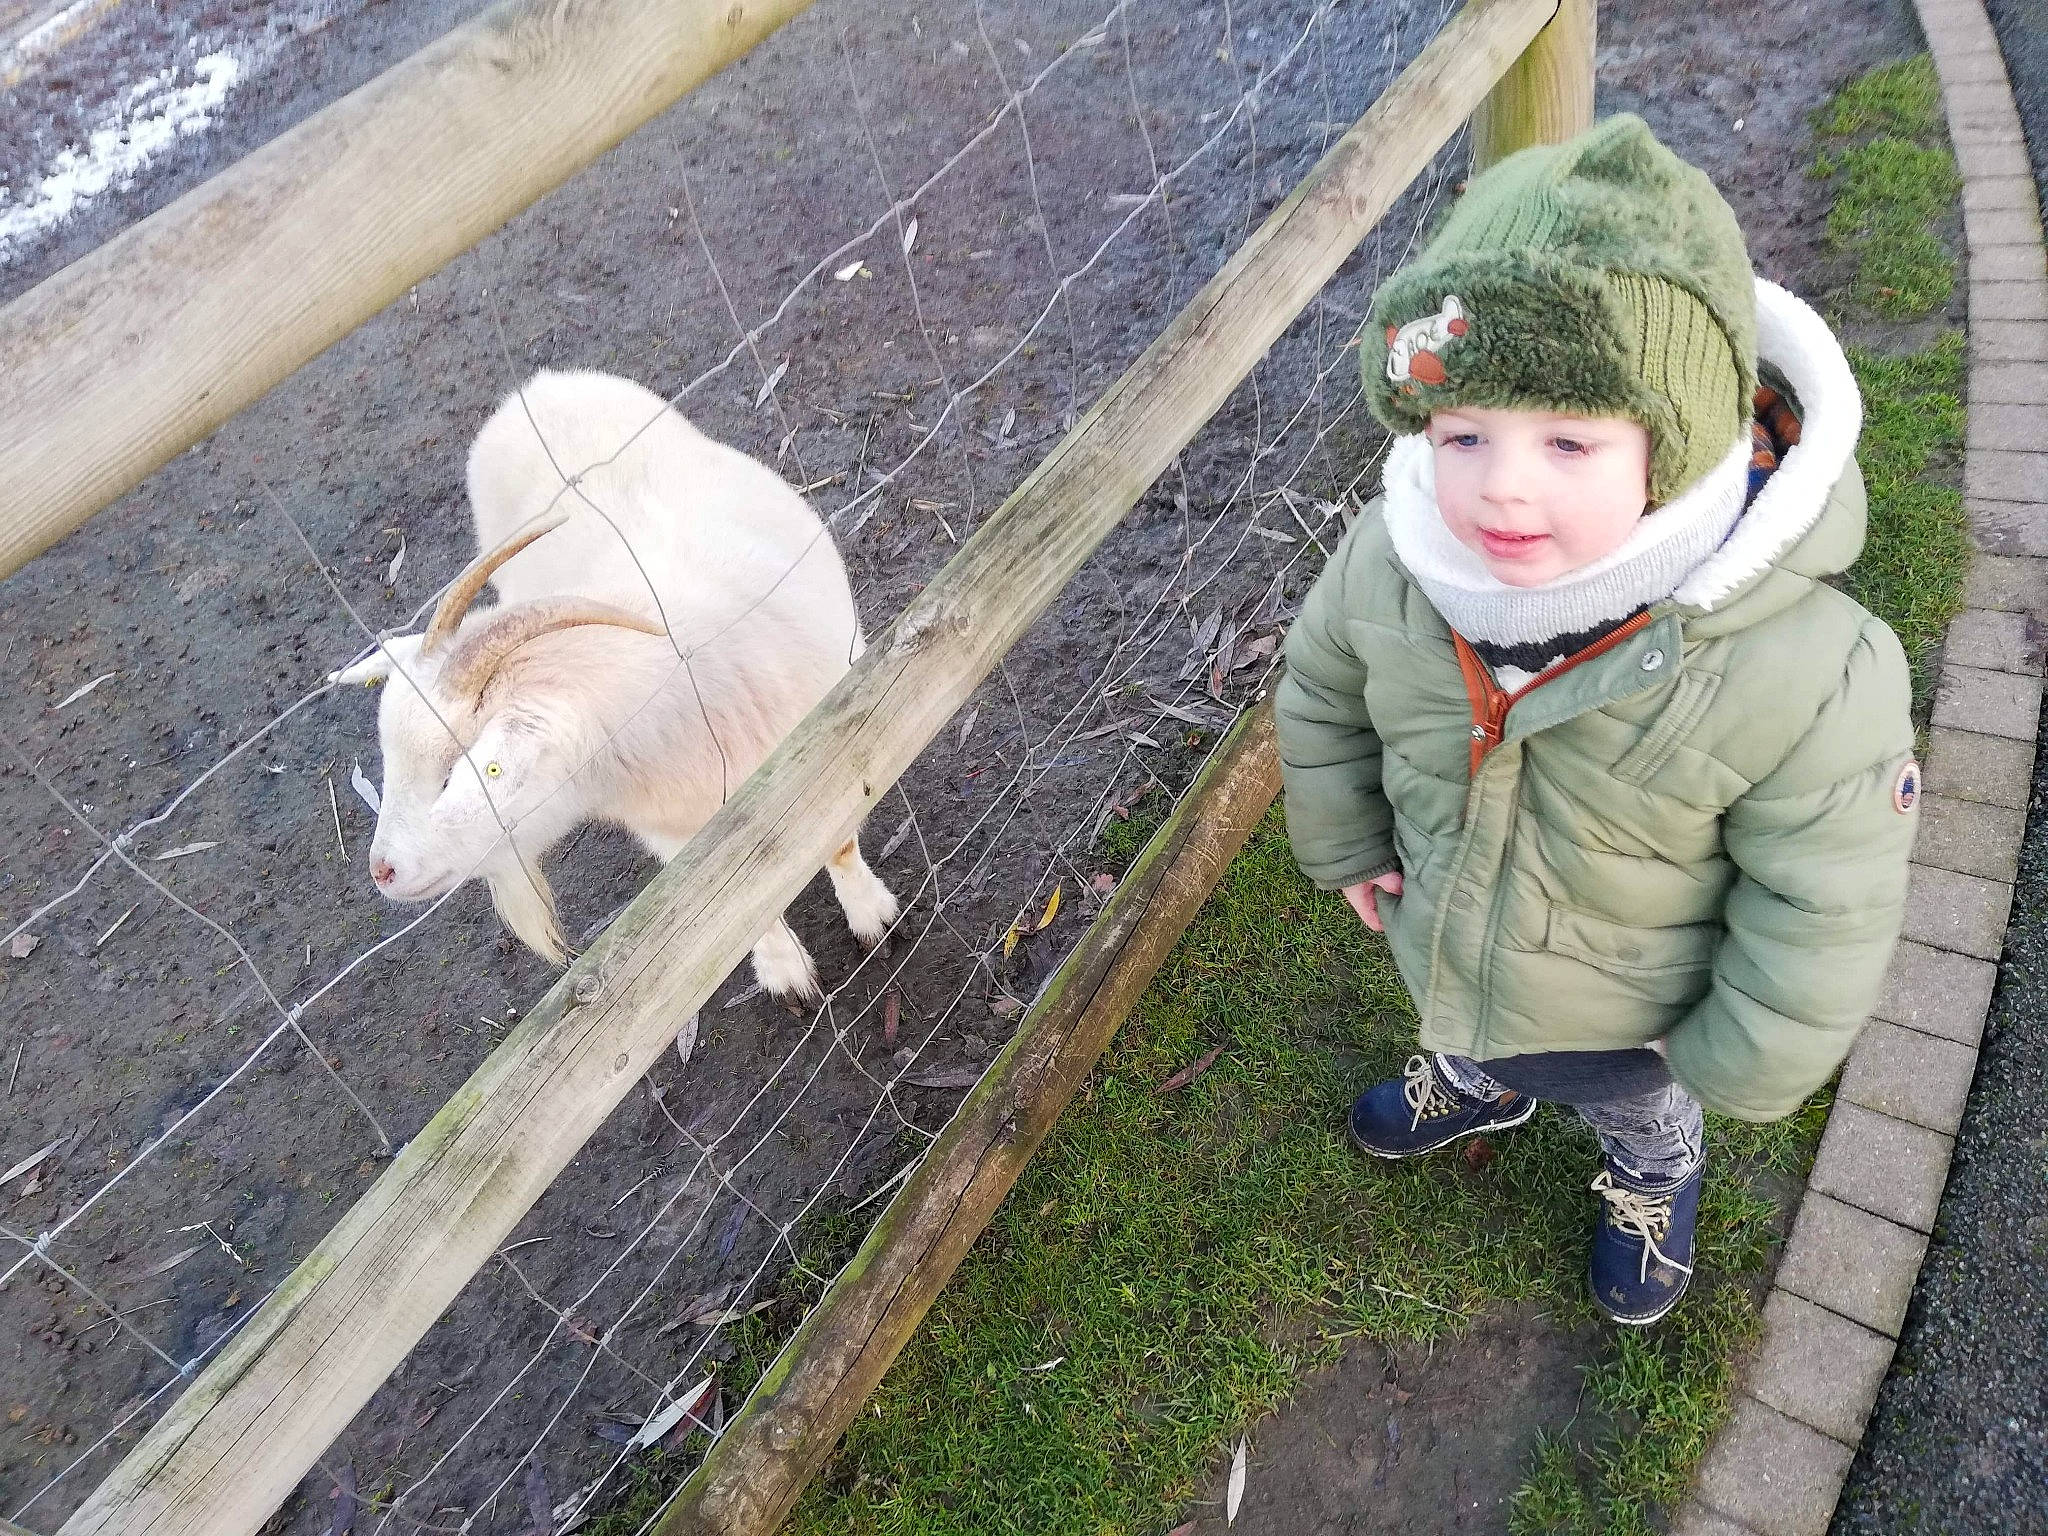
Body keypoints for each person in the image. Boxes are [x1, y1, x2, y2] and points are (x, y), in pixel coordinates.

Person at [1274, 114, 1919, 1326]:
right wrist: (1346, 839)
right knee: (1470, 1015)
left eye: (1567, 439)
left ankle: (1650, 1168)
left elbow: (1823, 900)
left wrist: (1727, 1059)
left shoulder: (1805, 672)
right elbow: (1318, 692)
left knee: (1620, 1095)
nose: (1501, 484)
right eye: (1463, 435)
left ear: (1670, 454)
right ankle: (1476, 1071)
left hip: (1632, 1015)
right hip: (1447, 934)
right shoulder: (1393, 561)